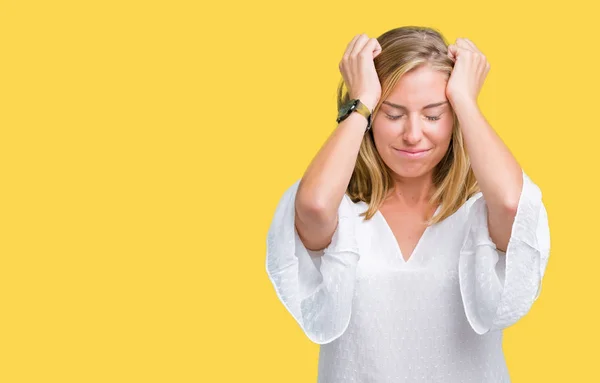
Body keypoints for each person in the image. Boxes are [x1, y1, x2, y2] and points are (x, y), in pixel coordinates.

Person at [265, 26, 550, 383]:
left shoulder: (479, 209)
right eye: (393, 114)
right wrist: (362, 99)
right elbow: (315, 208)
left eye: (433, 115)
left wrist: (464, 100)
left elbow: (512, 205)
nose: (413, 134)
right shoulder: (344, 210)